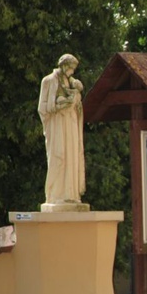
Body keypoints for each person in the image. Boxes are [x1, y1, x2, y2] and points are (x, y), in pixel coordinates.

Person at [38, 54, 86, 205]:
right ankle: (55, 194)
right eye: (71, 68)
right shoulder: (48, 81)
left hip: (70, 123)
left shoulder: (72, 83)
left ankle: (70, 194)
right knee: (58, 156)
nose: (72, 71)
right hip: (57, 124)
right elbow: (43, 107)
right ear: (64, 66)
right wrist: (60, 104)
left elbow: (79, 106)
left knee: (71, 156)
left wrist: (76, 101)